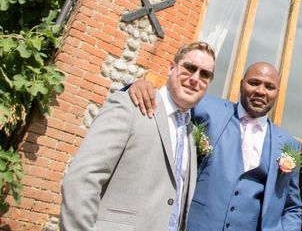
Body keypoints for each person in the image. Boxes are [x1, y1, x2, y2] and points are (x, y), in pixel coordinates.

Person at [128, 61, 302, 231]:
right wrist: (142, 86)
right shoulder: (208, 109)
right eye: (254, 83)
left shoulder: (288, 144)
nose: (260, 91)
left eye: (269, 87)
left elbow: (292, 207)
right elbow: (170, 102)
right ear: (241, 84)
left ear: (277, 93)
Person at [60, 42, 216, 231]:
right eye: (189, 68)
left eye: (205, 74)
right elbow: (82, 180)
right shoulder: (130, 107)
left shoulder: (190, 135)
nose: (195, 78)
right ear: (171, 68)